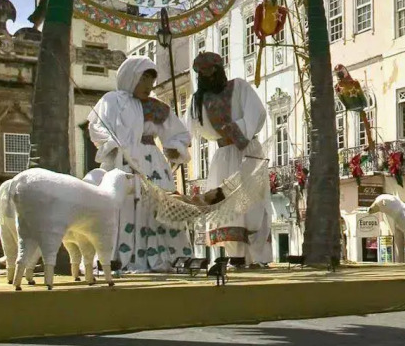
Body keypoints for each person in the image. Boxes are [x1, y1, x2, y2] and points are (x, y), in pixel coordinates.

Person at [87, 54, 193, 272]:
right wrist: (111, 143)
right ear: (130, 77)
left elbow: (179, 133)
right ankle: (117, 256)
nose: (148, 86)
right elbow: (96, 127)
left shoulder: (158, 108)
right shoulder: (111, 101)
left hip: (152, 163)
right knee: (122, 205)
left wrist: (174, 147)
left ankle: (163, 255)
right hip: (121, 161)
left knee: (159, 207)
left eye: (150, 82)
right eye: (143, 79)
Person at [189, 51, 275, 267]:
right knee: (227, 204)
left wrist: (237, 132)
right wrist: (179, 146)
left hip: (248, 151)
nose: (208, 76)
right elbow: (189, 128)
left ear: (219, 70)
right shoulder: (198, 100)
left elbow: (257, 112)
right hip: (224, 155)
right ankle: (235, 256)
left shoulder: (239, 87)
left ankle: (258, 257)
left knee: (253, 204)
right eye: (203, 73)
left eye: (211, 71)